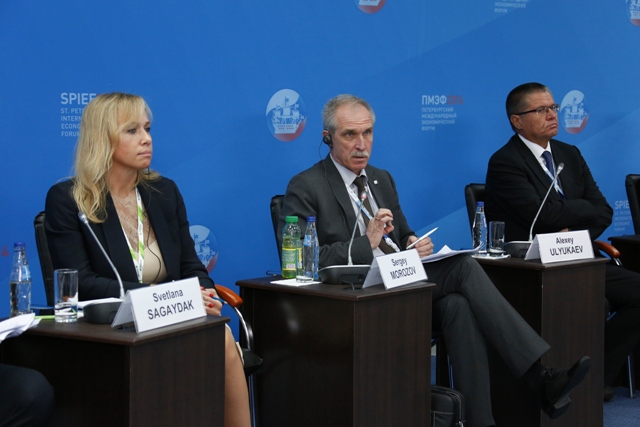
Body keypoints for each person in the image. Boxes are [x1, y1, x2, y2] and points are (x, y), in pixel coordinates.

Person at [278, 94, 591, 427]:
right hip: (349, 297)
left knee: (458, 305)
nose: (361, 144)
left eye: (367, 133)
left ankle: (482, 422)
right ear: (328, 137)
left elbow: (402, 235)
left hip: (398, 286)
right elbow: (302, 262)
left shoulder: (381, 179)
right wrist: (366, 243)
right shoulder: (307, 185)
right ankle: (539, 378)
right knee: (463, 267)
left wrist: (413, 244)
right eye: (350, 135)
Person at [44, 92, 250, 427]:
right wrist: (157, 297)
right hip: (113, 327)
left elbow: (190, 265)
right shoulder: (70, 200)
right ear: (103, 138)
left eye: (147, 128)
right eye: (132, 130)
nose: (147, 139)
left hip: (170, 317)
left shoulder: (163, 192)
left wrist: (206, 293)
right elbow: (80, 282)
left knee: (221, 336)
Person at [485, 82, 640, 402]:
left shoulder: (569, 153)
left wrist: (570, 228)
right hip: (530, 266)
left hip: (579, 256)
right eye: (541, 110)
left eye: (553, 108)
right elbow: (543, 215)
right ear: (517, 120)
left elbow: (603, 211)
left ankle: (596, 374)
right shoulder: (505, 162)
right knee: (590, 301)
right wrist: (577, 210)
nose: (552, 115)